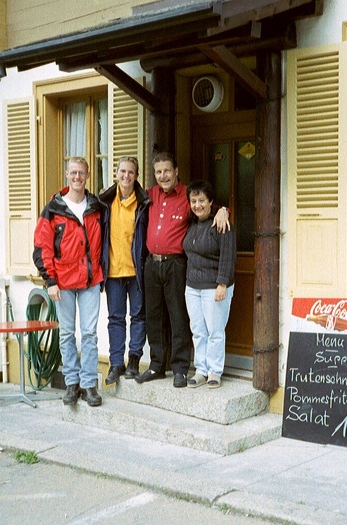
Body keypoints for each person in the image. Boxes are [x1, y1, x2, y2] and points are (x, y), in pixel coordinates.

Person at [135, 152, 229, 388]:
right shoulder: (150, 194)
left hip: (176, 264)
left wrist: (223, 209)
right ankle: (156, 365)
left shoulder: (188, 195)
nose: (163, 175)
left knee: (178, 317)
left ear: (176, 171)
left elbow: (206, 209)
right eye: (158, 171)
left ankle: (179, 368)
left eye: (167, 170)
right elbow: (121, 195)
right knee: (153, 317)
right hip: (151, 263)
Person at [33, 157, 105, 407]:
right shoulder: (53, 208)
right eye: (73, 173)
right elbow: (42, 247)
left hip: (90, 280)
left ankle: (88, 385)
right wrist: (50, 280)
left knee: (89, 334)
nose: (77, 177)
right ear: (67, 175)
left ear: (87, 175)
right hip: (62, 283)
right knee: (66, 334)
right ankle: (72, 384)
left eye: (81, 173)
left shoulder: (97, 206)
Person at [99, 156, 150, 384]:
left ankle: (134, 360)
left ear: (136, 176)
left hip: (136, 271)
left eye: (131, 172)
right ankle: (116, 363)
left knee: (138, 316)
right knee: (115, 319)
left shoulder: (144, 203)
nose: (126, 176)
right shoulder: (104, 201)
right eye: (122, 172)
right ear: (116, 174)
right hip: (113, 272)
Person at [183, 180, 236, 389]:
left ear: (211, 201)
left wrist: (222, 283)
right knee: (198, 330)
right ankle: (201, 370)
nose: (197, 205)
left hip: (214, 286)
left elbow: (228, 255)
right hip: (192, 286)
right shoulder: (191, 223)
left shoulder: (221, 224)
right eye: (194, 201)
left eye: (202, 200)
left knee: (215, 330)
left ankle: (215, 370)